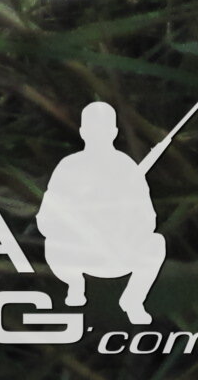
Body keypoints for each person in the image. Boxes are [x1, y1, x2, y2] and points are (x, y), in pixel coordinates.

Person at [39, 101, 169, 324]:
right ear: (82, 131)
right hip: (78, 253)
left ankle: (133, 300)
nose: (98, 134)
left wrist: (123, 220)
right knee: (51, 244)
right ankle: (75, 286)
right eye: (92, 128)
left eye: (104, 128)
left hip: (119, 253)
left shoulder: (126, 167)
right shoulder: (69, 166)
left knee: (156, 244)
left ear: (114, 132)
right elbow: (46, 219)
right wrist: (78, 224)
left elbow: (149, 218)